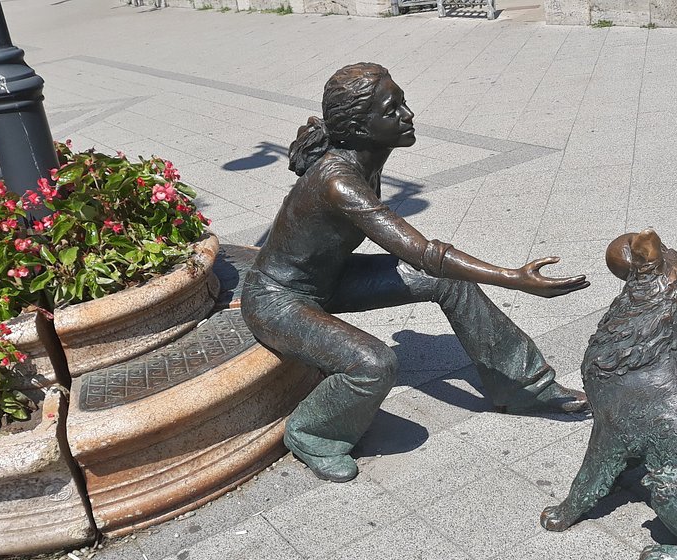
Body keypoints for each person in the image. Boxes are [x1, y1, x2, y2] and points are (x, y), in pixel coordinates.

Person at [242, 63, 589, 483]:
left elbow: (430, 263)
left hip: (329, 279)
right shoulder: (340, 183)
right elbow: (424, 252)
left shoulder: (363, 157)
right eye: (392, 111)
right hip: (278, 299)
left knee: (449, 283)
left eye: (403, 102)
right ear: (358, 128)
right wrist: (513, 277)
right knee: (374, 364)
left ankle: (523, 388)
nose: (408, 114)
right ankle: (312, 432)